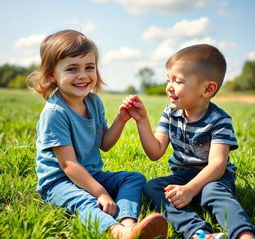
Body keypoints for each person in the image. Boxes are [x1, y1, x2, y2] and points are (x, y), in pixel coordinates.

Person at [26, 29, 168, 239]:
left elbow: (105, 143)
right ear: (52, 76)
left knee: (133, 178)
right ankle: (119, 233)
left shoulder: (94, 102)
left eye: (89, 67)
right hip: (59, 181)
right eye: (72, 69)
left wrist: (121, 119)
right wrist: (100, 192)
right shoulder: (55, 113)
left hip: (91, 174)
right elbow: (68, 165)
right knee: (87, 201)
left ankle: (128, 222)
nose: (83, 75)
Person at [123, 44, 255, 239]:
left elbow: (218, 165)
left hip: (214, 177)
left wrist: (190, 190)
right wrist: (142, 121)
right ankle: (197, 232)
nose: (169, 87)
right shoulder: (170, 113)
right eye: (168, 79)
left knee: (212, 192)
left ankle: (244, 234)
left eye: (178, 81)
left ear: (207, 89)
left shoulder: (219, 120)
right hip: (184, 176)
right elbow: (155, 152)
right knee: (153, 187)